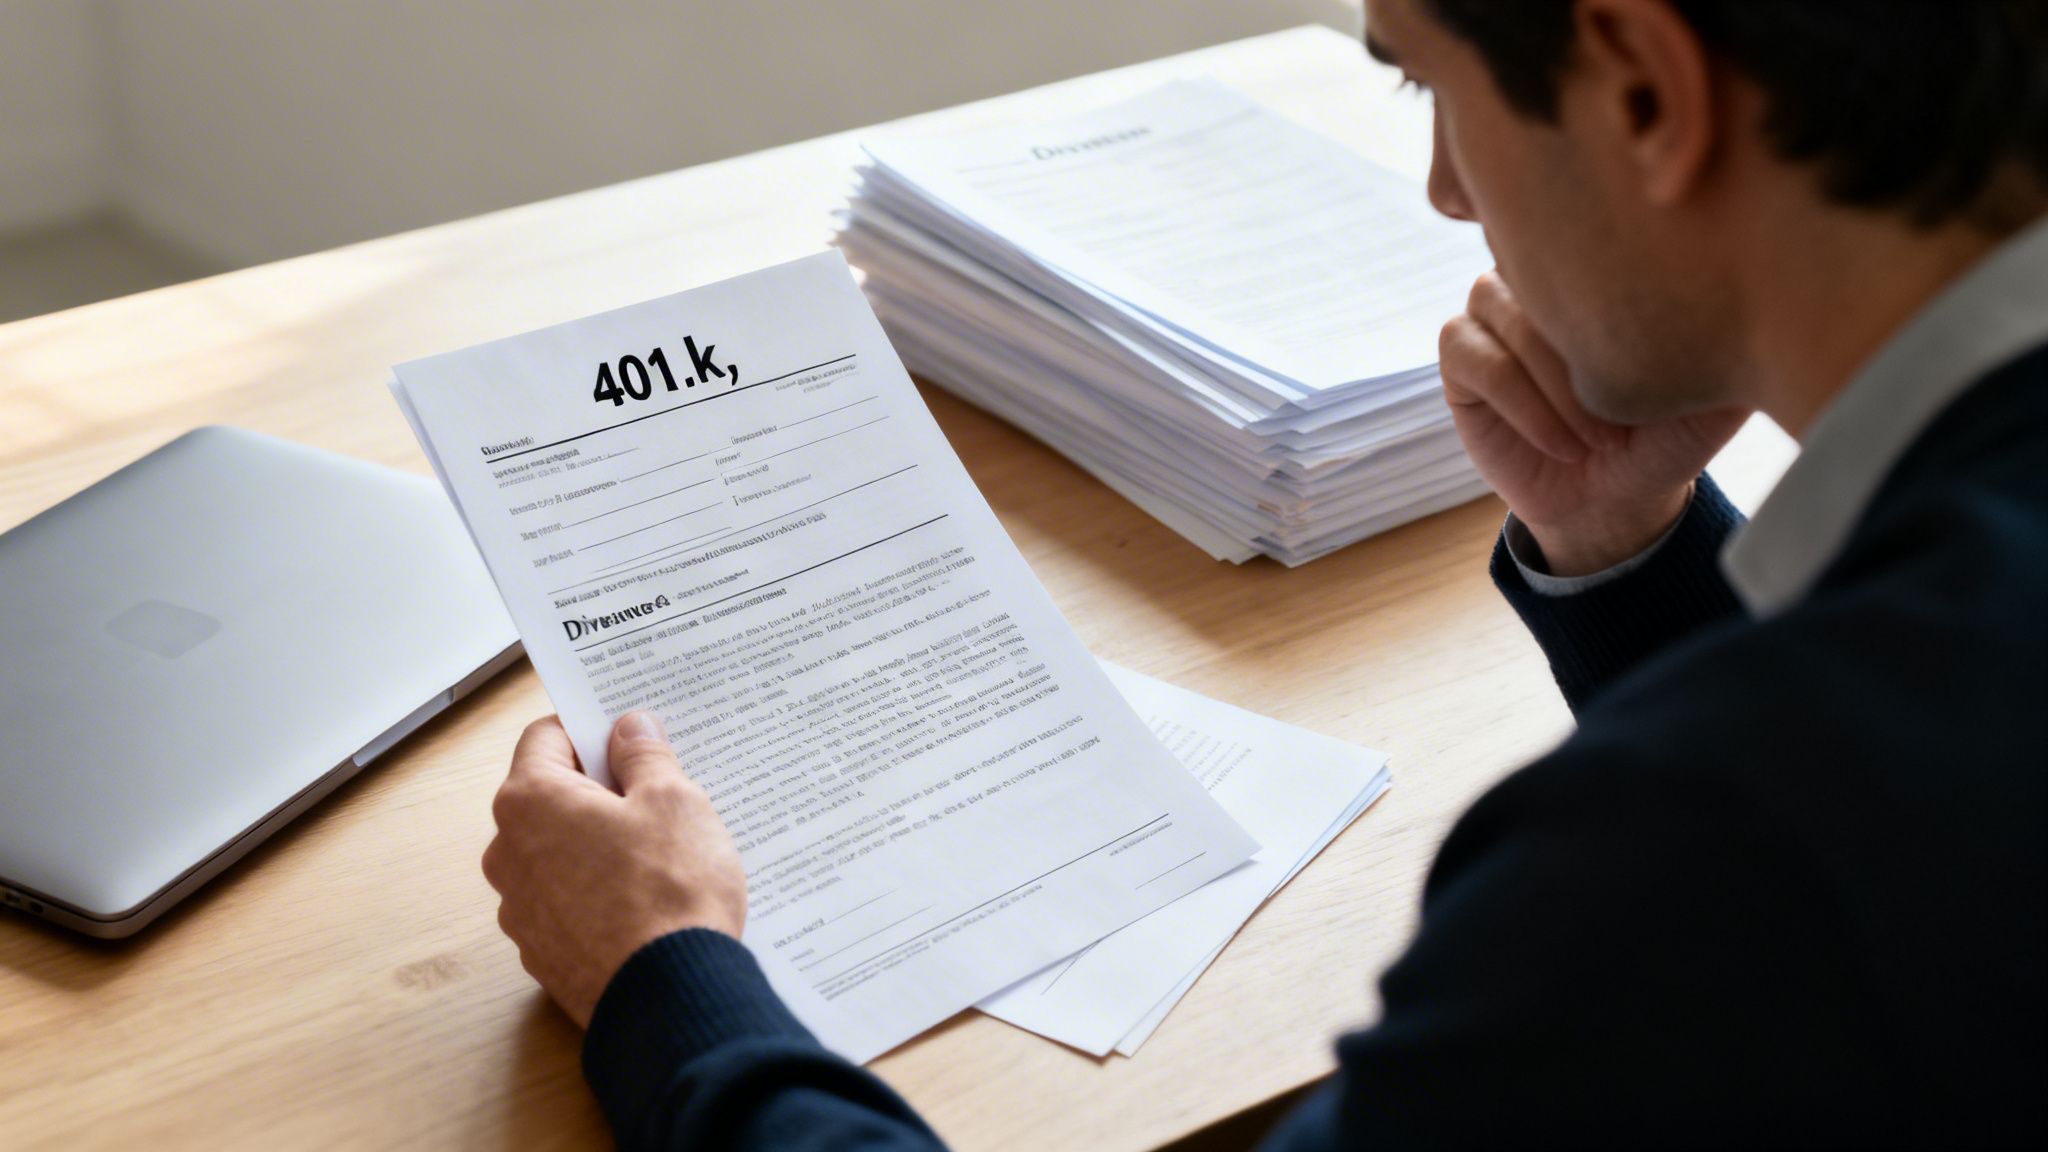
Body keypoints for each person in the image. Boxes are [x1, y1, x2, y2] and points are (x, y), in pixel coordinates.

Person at [481, 0, 2048, 1146]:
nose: (1445, 185)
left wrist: (666, 986)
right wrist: (1630, 563)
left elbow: (1805, 861)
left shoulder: (1699, 851)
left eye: (1429, 81)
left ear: (1642, 90)